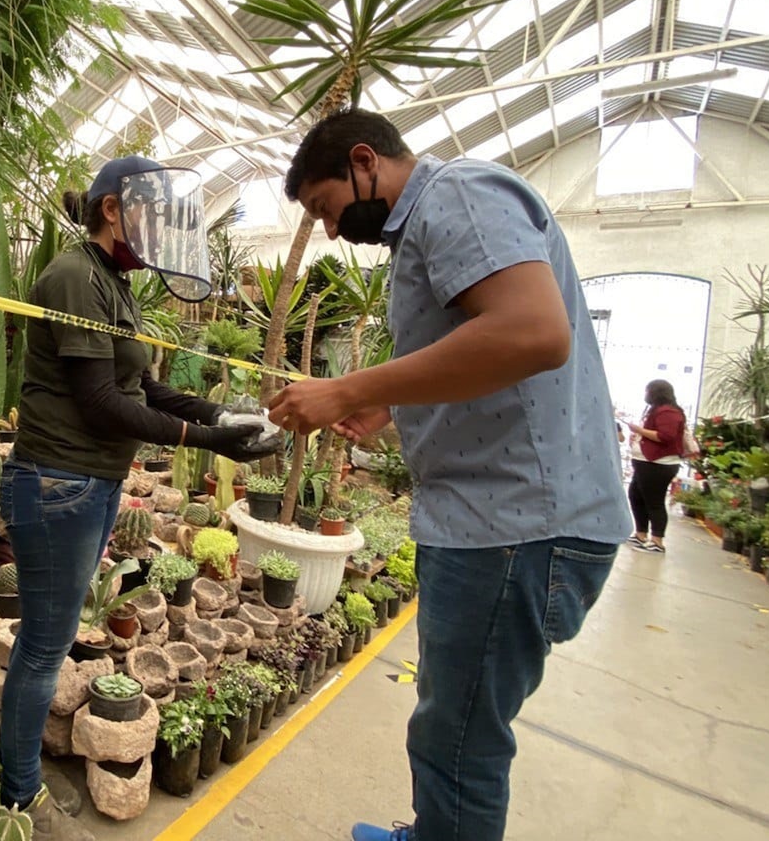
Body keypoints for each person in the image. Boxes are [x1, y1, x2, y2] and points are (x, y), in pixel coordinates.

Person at [265, 108, 629, 841]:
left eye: (325, 208)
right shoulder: (431, 225)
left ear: (364, 162)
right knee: (450, 725)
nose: (331, 229)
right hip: (501, 523)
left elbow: (532, 332)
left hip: (517, 527)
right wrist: (393, 407)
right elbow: (487, 362)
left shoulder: (456, 196)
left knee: (460, 743)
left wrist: (351, 388)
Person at [0, 156, 281, 840]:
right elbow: (98, 405)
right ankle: (18, 795)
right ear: (112, 210)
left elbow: (141, 390)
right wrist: (207, 441)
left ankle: (18, 772)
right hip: (59, 481)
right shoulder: (73, 276)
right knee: (44, 647)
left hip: (88, 484)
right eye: (147, 212)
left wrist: (219, 415)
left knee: (51, 639)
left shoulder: (114, 285)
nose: (155, 228)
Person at [626, 379, 687, 554]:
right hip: (646, 463)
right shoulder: (657, 411)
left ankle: (657, 541)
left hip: (659, 464)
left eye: (647, 391)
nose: (645, 395)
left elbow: (665, 436)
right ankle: (641, 534)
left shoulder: (669, 412)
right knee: (636, 496)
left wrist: (639, 430)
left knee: (654, 501)